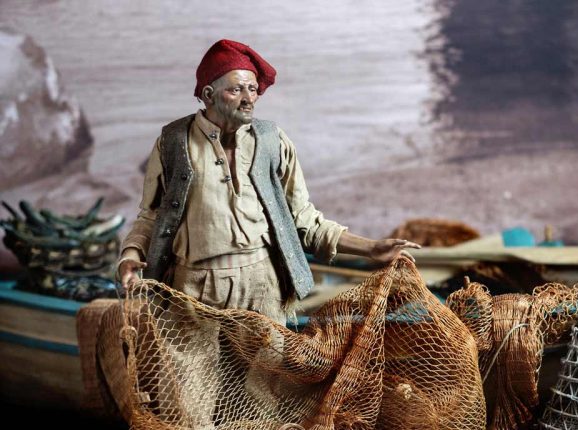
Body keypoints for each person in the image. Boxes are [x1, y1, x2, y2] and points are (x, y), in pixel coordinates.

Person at [115, 39, 420, 428]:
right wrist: (130, 255)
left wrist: (370, 248)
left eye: (253, 89)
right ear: (208, 94)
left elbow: (305, 220)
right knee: (185, 400)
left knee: (264, 396)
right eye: (236, 89)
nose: (249, 98)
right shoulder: (173, 143)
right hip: (192, 288)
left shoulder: (272, 141)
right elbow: (150, 215)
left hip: (263, 283)